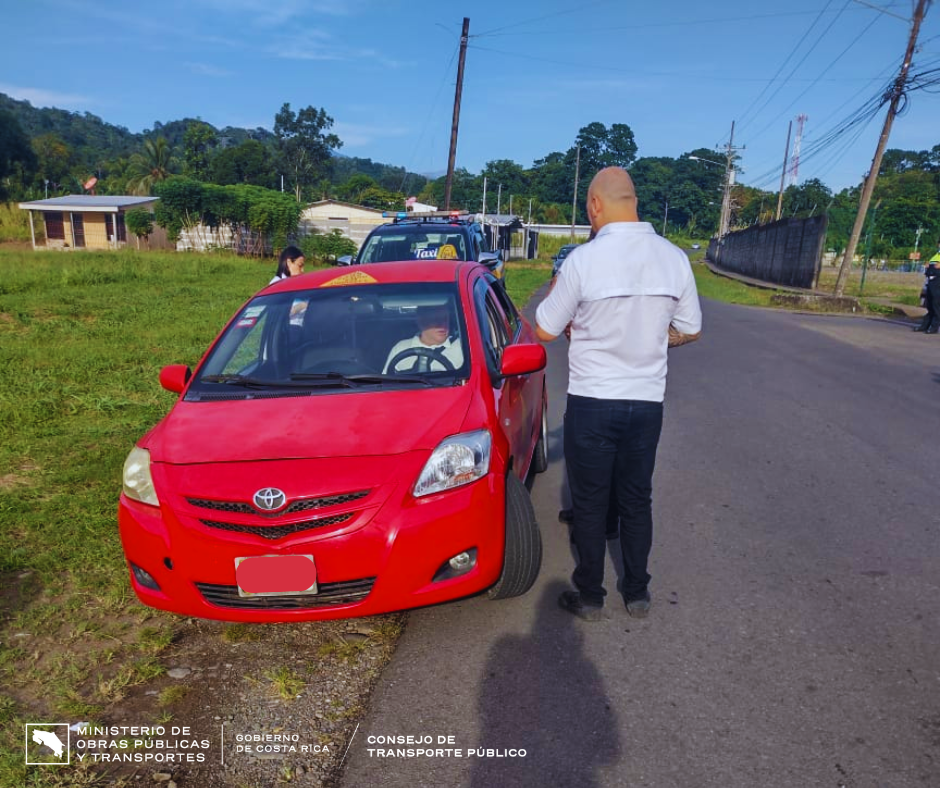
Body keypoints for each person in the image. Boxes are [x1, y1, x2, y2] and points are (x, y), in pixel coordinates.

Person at [536, 167, 702, 622]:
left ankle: (590, 594)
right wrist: (651, 340)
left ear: (595, 205)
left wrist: (572, 313)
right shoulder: (673, 258)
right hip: (646, 403)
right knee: (636, 498)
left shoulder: (583, 261)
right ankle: (638, 591)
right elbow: (690, 329)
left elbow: (545, 328)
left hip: (593, 401)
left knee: (589, 503)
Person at [384, 304, 464, 373]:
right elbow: (386, 382)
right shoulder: (400, 348)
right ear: (421, 321)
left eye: (445, 318)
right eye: (436, 319)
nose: (442, 324)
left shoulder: (462, 348)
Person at [913, 249, 940, 334]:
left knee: (936, 306)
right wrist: (928, 265)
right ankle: (925, 325)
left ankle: (934, 327)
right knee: (930, 305)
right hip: (931, 281)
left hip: (938, 282)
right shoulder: (936, 255)